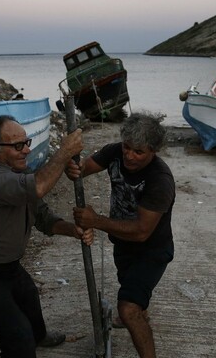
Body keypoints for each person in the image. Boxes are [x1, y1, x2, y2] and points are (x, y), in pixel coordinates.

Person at [0, 115, 93, 358]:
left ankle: (40, 336)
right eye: (18, 146)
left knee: (29, 300)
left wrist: (74, 231)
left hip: (7, 267)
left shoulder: (16, 175)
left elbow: (44, 219)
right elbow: (38, 187)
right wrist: (65, 152)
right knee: (18, 338)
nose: (26, 150)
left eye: (27, 142)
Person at [66, 112, 175, 358]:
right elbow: (81, 170)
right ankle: (141, 311)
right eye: (127, 147)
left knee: (128, 309)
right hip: (122, 245)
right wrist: (71, 166)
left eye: (139, 152)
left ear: (153, 151)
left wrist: (96, 221)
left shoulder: (160, 180)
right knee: (132, 290)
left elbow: (141, 232)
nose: (129, 155)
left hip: (152, 251)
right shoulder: (115, 152)